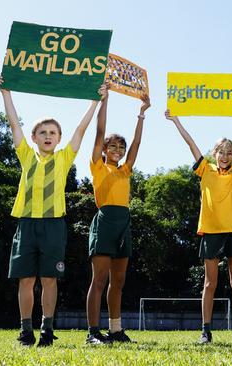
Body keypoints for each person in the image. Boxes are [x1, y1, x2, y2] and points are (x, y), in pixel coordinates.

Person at [0, 76, 104, 347]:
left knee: (49, 279)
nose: (47, 136)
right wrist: (6, 93)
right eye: (42, 132)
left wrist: (95, 101)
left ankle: (46, 329)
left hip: (54, 225)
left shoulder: (64, 158)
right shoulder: (25, 154)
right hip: (26, 223)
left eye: (52, 133)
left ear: (58, 138)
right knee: (25, 279)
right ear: (33, 138)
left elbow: (81, 130)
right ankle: (25, 331)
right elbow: (13, 122)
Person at [165, 107, 232, 344]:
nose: (225, 156)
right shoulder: (205, 168)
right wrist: (176, 121)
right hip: (211, 232)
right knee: (210, 283)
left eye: (229, 153)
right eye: (221, 152)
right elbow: (190, 143)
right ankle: (206, 330)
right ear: (214, 153)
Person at [85, 86, 150, 344]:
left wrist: (141, 114)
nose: (118, 149)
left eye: (120, 146)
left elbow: (137, 144)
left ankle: (115, 329)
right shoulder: (98, 166)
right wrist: (104, 100)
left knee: (118, 281)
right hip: (105, 222)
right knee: (98, 280)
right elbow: (99, 132)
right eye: (112, 145)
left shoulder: (125, 171)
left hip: (124, 223)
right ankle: (92, 333)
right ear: (103, 149)